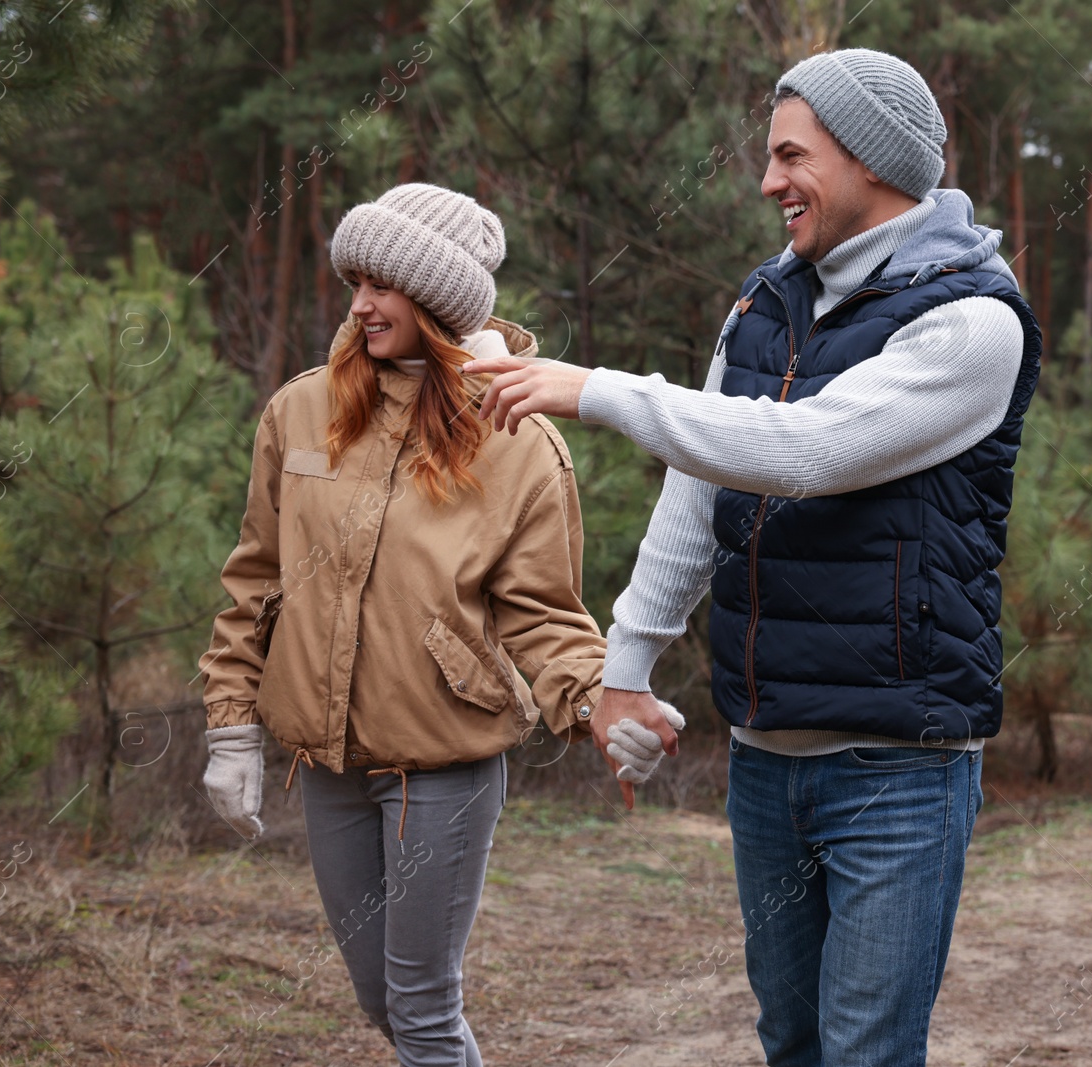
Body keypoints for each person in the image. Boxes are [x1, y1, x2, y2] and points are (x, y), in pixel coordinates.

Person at [462, 49, 1042, 1067]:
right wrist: (623, 672)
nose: (769, 181)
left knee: (864, 1051)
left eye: (790, 155)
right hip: (766, 762)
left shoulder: (971, 321)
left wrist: (591, 386)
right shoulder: (767, 301)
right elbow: (701, 486)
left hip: (898, 769)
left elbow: (802, 453)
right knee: (793, 1040)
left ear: (869, 156)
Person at [196, 183, 681, 1067]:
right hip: (328, 765)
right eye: (356, 280)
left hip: (443, 768)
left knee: (420, 1008)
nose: (359, 304)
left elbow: (543, 614)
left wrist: (601, 702)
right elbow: (255, 580)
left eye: (383, 284)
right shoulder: (300, 411)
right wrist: (231, 724)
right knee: (381, 1001)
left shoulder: (517, 437)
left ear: (439, 302)